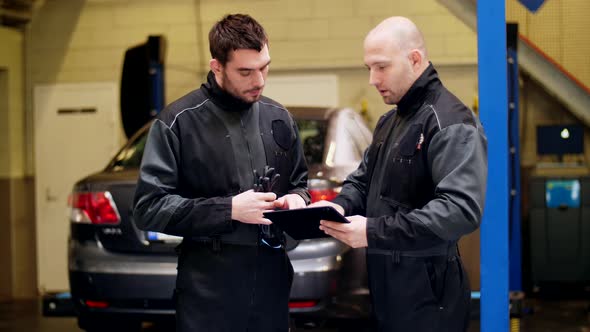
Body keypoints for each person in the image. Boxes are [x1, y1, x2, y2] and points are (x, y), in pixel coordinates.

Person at [132, 14, 310, 332]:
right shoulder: (178, 123)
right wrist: (229, 210)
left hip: (272, 281)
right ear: (217, 67)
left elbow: (300, 183)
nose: (259, 81)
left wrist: (297, 200)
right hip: (209, 288)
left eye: (264, 67)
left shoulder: (279, 117)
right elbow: (149, 208)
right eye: (245, 72)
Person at [312, 16, 488, 332]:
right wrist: (338, 206)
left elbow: (460, 210)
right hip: (388, 289)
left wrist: (372, 232)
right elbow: (362, 181)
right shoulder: (390, 122)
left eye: (381, 67)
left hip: (429, 295)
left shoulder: (449, 122)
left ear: (415, 59)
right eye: (369, 68)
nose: (372, 79)